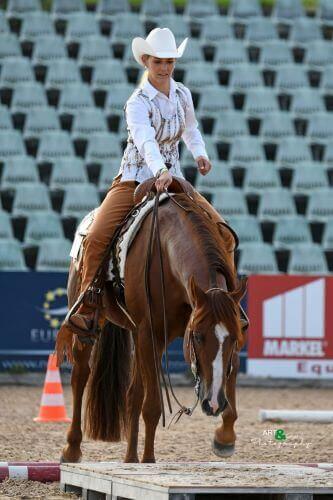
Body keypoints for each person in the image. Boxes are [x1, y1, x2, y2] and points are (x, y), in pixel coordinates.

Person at [70, 27, 235, 334]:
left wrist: (200, 153)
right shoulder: (137, 102)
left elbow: (190, 129)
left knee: (224, 234)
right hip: (134, 179)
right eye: (159, 61)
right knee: (95, 237)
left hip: (174, 179)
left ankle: (226, 301)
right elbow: (145, 142)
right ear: (146, 61)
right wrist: (160, 171)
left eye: (170, 61)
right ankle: (89, 301)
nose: (165, 68)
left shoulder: (182, 93)